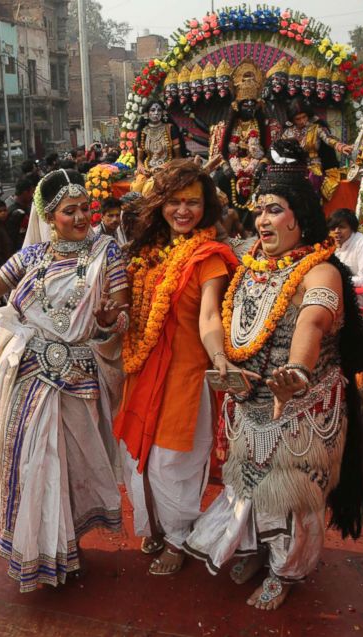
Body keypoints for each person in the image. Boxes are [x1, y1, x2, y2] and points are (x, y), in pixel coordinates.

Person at [184, 140, 363, 610]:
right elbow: (216, 316)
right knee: (247, 485)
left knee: (291, 497)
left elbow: (312, 321)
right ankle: (256, 551)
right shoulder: (250, 264)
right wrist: (221, 359)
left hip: (302, 407)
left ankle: (286, 570)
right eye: (259, 211)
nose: (263, 220)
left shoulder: (323, 271)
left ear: (301, 217)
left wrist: (296, 370)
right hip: (250, 405)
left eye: (275, 209)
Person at [0, 168, 129, 591]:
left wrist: (107, 321)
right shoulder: (30, 258)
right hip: (32, 378)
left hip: (80, 377)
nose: (82, 217)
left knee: (71, 465)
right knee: (34, 463)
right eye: (70, 211)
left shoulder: (108, 252)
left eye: (86, 208)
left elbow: (122, 315)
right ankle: (39, 548)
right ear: (48, 217)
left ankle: (66, 543)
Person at [114, 159, 238, 576]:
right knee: (138, 458)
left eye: (193, 202)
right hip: (144, 371)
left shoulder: (209, 256)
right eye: (174, 202)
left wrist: (218, 355)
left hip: (185, 375)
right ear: (159, 204)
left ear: (208, 207)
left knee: (171, 462)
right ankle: (155, 523)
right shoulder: (146, 255)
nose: (183, 211)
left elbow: (209, 316)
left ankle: (178, 536)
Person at [328, 208, 363, 296]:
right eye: (333, 228)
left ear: (352, 228)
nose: (336, 231)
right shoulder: (334, 242)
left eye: (342, 227)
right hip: (341, 289)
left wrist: (336, 279)